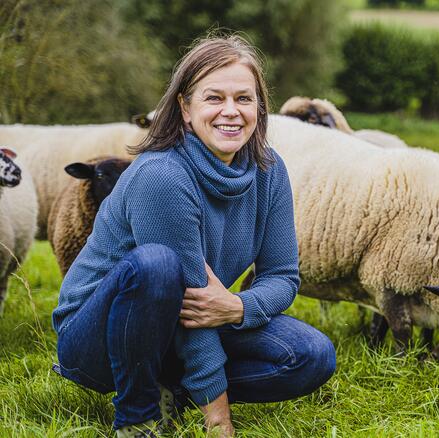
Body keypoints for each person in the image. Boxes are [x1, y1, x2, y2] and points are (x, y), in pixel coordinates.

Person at [51, 35, 336, 437]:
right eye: (214, 98)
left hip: (193, 314)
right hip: (98, 338)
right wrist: (219, 421)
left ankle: (172, 387)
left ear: (260, 107)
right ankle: (137, 416)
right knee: (157, 265)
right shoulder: (162, 175)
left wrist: (236, 306)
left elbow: (283, 278)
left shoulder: (270, 171)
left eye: (244, 99)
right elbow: (192, 305)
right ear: (185, 108)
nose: (231, 112)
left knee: (311, 355)